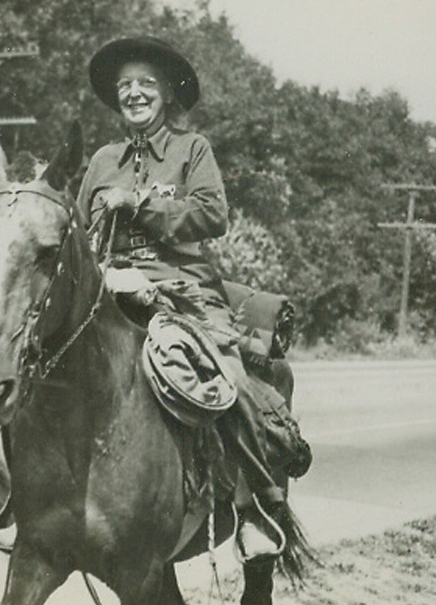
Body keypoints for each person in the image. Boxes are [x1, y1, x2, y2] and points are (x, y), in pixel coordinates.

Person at [78, 36, 311, 560]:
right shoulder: (100, 161)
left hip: (182, 289)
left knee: (229, 375)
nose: (134, 94)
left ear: (167, 94)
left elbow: (213, 214)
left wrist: (138, 202)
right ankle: (28, 500)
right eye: (125, 86)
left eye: (145, 84)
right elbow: (78, 233)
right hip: (110, 287)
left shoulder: (192, 149)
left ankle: (255, 505)